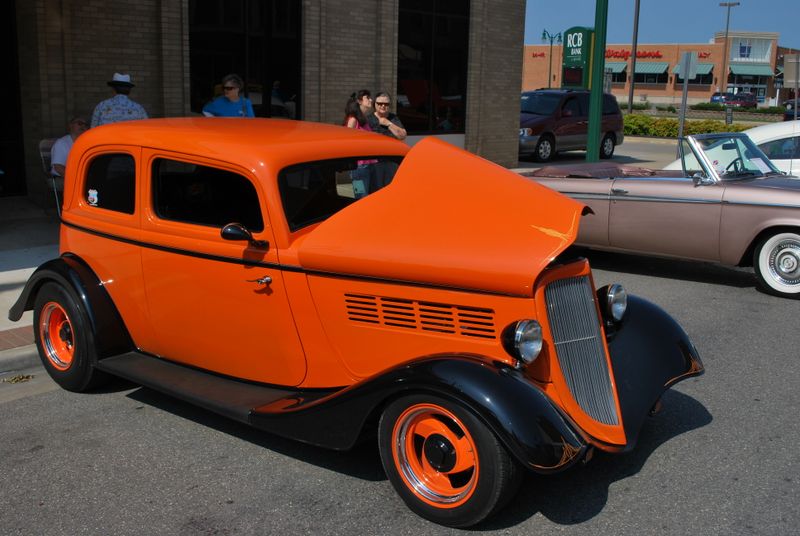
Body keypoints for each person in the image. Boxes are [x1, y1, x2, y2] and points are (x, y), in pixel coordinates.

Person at [368, 92, 406, 191]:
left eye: (386, 104)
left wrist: (388, 124)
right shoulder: (368, 119)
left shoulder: (393, 118)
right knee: (376, 191)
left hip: (392, 161)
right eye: (380, 103)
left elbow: (402, 135)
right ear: (375, 104)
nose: (383, 106)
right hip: (375, 162)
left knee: (391, 189)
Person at [343, 90, 376, 198]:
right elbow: (346, 142)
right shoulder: (353, 120)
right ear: (359, 101)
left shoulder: (363, 119)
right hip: (358, 166)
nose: (371, 100)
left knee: (365, 196)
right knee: (360, 196)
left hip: (368, 164)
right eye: (368, 98)